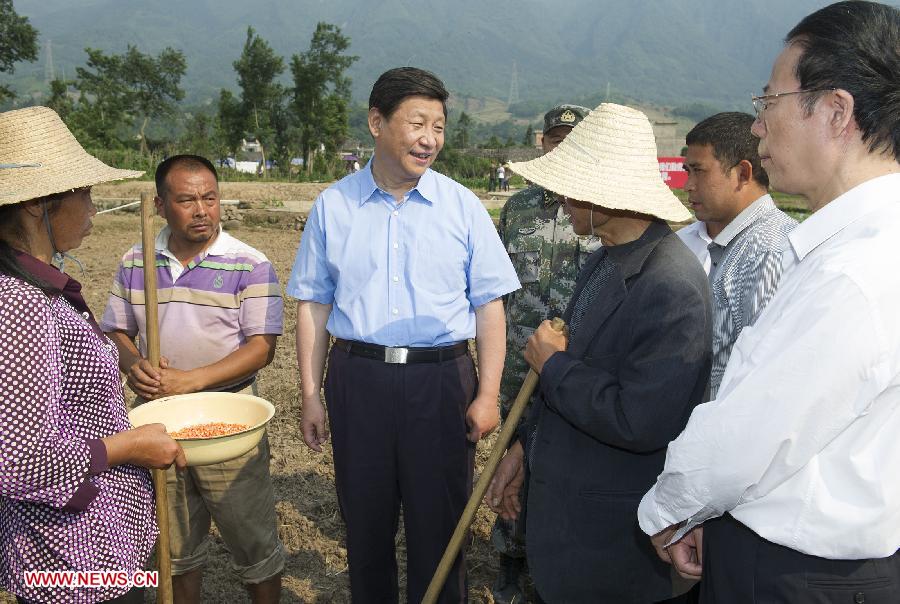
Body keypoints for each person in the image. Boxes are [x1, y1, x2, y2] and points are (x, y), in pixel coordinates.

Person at [639, 2, 900, 601]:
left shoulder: (852, 271)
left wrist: (669, 506)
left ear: (836, 111)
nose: (757, 128)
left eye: (768, 104)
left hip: (795, 572)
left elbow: (749, 438)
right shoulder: (862, 243)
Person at [288, 67, 520, 604]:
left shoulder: (462, 206)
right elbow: (314, 305)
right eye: (417, 123)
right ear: (377, 123)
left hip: (440, 382)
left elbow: (490, 307)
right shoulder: (335, 206)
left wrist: (486, 395)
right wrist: (309, 393)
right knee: (364, 526)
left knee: (440, 531)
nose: (430, 139)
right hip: (358, 378)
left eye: (438, 127)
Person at [488, 103, 712, 603]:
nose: (562, 199)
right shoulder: (605, 262)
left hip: (613, 555)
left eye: (571, 187)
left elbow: (639, 420)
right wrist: (526, 448)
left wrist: (553, 365)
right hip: (569, 537)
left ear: (603, 196)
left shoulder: (671, 287)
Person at [0, 106, 185, 604]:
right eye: (84, 194)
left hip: (98, 536)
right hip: (70, 555)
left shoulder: (40, 290)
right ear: (39, 205)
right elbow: (20, 462)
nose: (93, 208)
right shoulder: (19, 304)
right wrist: (130, 447)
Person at [101, 155, 285, 603]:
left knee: (252, 541)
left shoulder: (249, 263)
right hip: (159, 421)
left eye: (210, 198)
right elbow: (117, 330)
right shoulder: (135, 260)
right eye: (187, 200)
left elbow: (262, 349)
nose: (202, 210)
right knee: (174, 547)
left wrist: (192, 380)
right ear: (162, 206)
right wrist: (133, 363)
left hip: (229, 418)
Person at [491, 103, 595, 603]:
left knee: (557, 464)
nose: (562, 148)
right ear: (543, 144)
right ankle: (510, 556)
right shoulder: (518, 208)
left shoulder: (600, 208)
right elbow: (494, 288)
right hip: (516, 365)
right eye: (556, 140)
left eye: (573, 140)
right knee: (507, 464)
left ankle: (549, 560)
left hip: (574, 369)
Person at [680, 112, 796, 397]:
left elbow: (760, 379)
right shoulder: (734, 245)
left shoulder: (767, 251)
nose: (688, 185)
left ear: (742, 174)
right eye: (687, 172)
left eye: (699, 171)